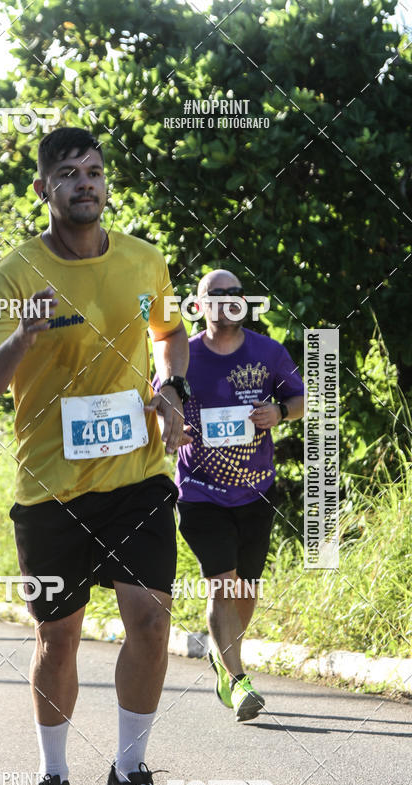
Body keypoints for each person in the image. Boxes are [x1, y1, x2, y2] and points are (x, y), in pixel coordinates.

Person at [0, 127, 191, 785]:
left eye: (94, 171)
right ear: (44, 190)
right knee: (58, 637)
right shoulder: (15, 274)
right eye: (68, 173)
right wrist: (22, 340)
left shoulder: (142, 259)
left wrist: (171, 384)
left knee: (150, 620)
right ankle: (53, 781)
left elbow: (170, 331)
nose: (85, 183)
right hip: (50, 485)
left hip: (137, 472)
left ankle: (129, 773)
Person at [175, 269, 304, 721]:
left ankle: (221, 654)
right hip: (200, 492)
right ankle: (238, 678)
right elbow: (159, 408)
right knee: (222, 584)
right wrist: (175, 428)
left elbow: (303, 398)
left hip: (256, 491)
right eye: (217, 294)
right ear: (199, 304)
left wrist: (280, 411)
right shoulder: (181, 354)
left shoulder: (267, 351)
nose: (228, 300)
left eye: (236, 294)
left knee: (247, 588)